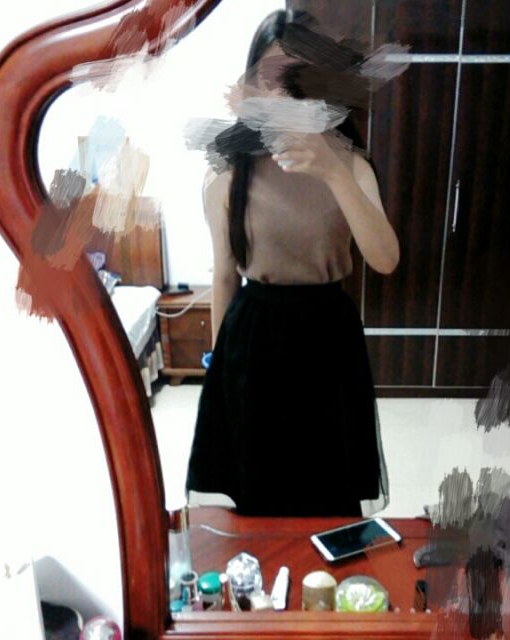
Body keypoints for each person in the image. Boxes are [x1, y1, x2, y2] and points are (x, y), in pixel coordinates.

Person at [185, 9, 400, 517]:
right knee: (258, 493)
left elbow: (386, 260)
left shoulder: (350, 166)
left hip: (328, 342)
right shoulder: (228, 174)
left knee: (329, 491)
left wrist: (334, 174)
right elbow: (224, 278)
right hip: (252, 342)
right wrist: (218, 370)